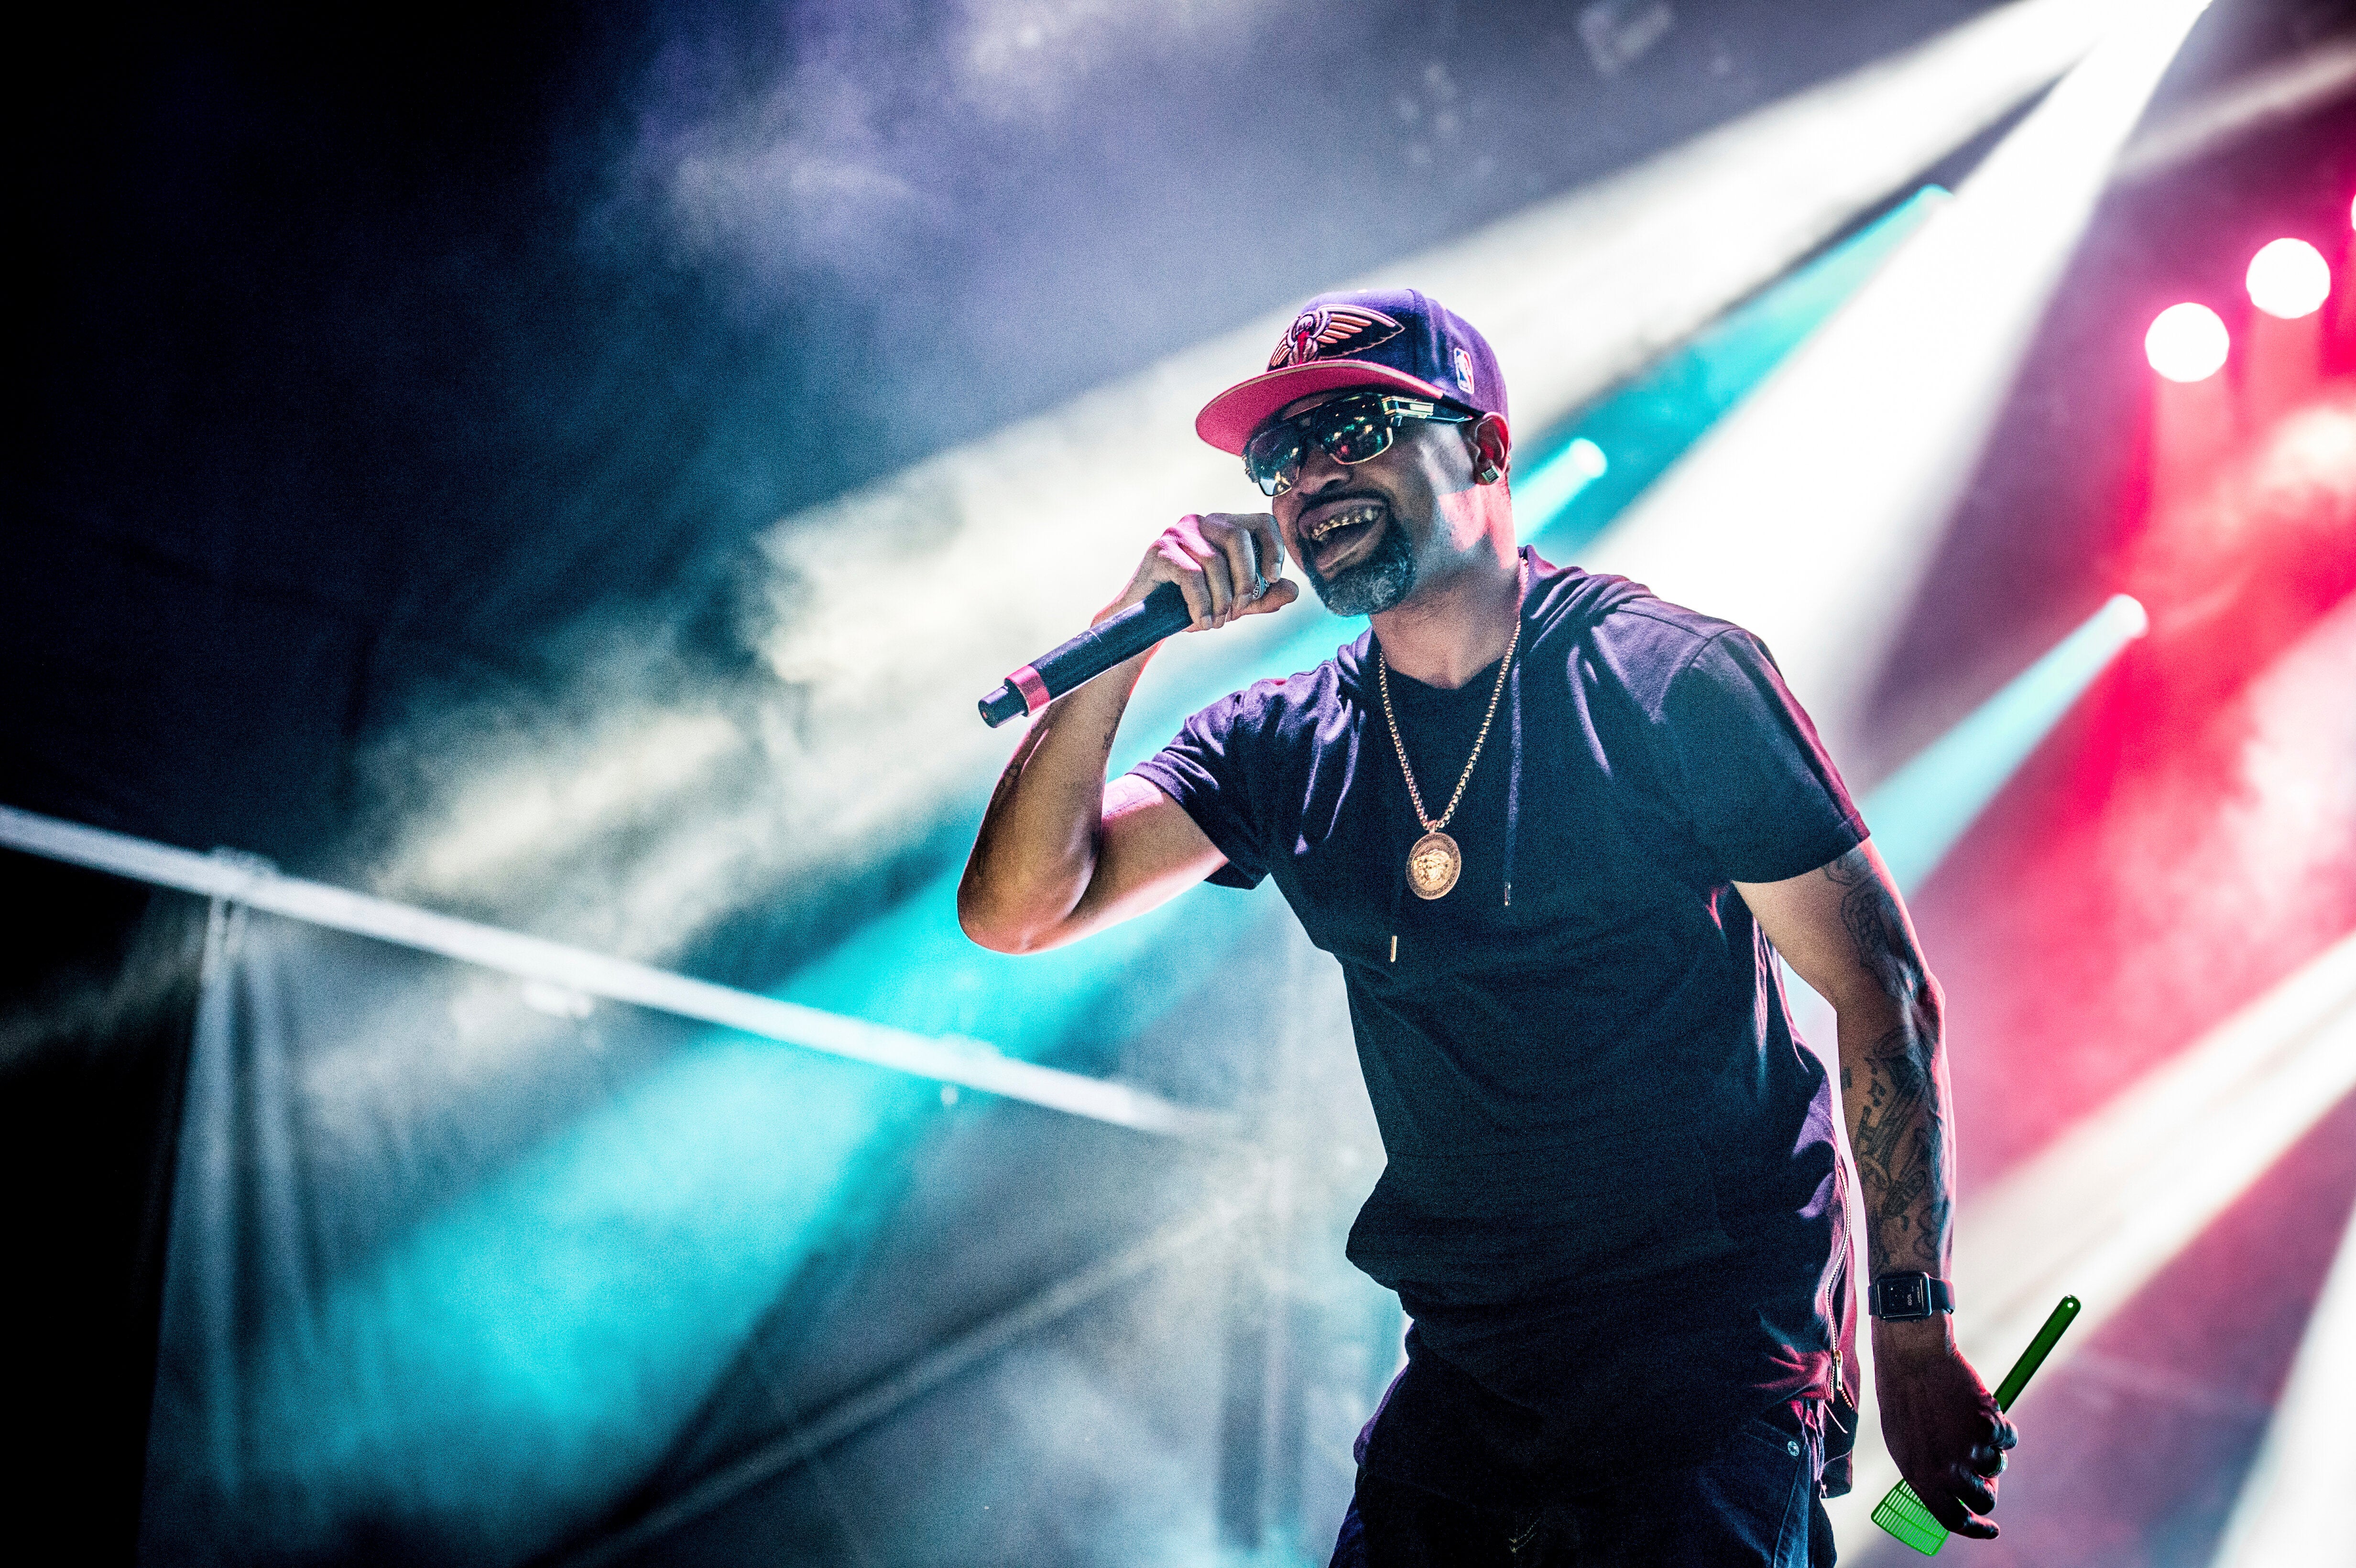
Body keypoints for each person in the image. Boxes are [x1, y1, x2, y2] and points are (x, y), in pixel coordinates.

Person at [958, 289, 2013, 1566]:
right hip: (1470, 1368)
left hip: (1708, 1358)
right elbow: (1020, 910)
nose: (1312, 475)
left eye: (1356, 424)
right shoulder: (1282, 740)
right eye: (1280, 455)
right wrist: (1120, 646)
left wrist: (1912, 1327)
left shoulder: (1665, 679)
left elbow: (1880, 989)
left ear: (1489, 448)